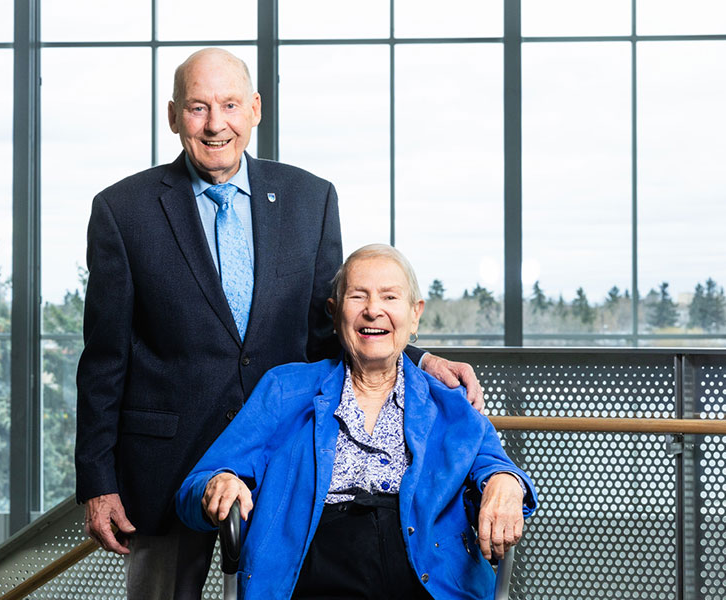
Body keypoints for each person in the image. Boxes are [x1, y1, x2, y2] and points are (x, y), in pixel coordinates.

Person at [76, 48, 485, 599]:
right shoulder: (123, 211)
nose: (215, 123)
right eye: (198, 108)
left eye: (229, 105)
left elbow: (333, 322)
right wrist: (98, 483)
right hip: (164, 463)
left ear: (255, 109)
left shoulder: (309, 199)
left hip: (282, 457)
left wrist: (417, 358)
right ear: (173, 116)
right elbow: (104, 359)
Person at [177, 244, 537, 600]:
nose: (373, 310)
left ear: (415, 315)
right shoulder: (284, 390)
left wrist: (506, 481)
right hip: (312, 580)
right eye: (358, 296)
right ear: (335, 313)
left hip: (427, 582)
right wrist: (217, 484)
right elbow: (194, 489)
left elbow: (493, 463)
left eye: (390, 297)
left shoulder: (450, 402)